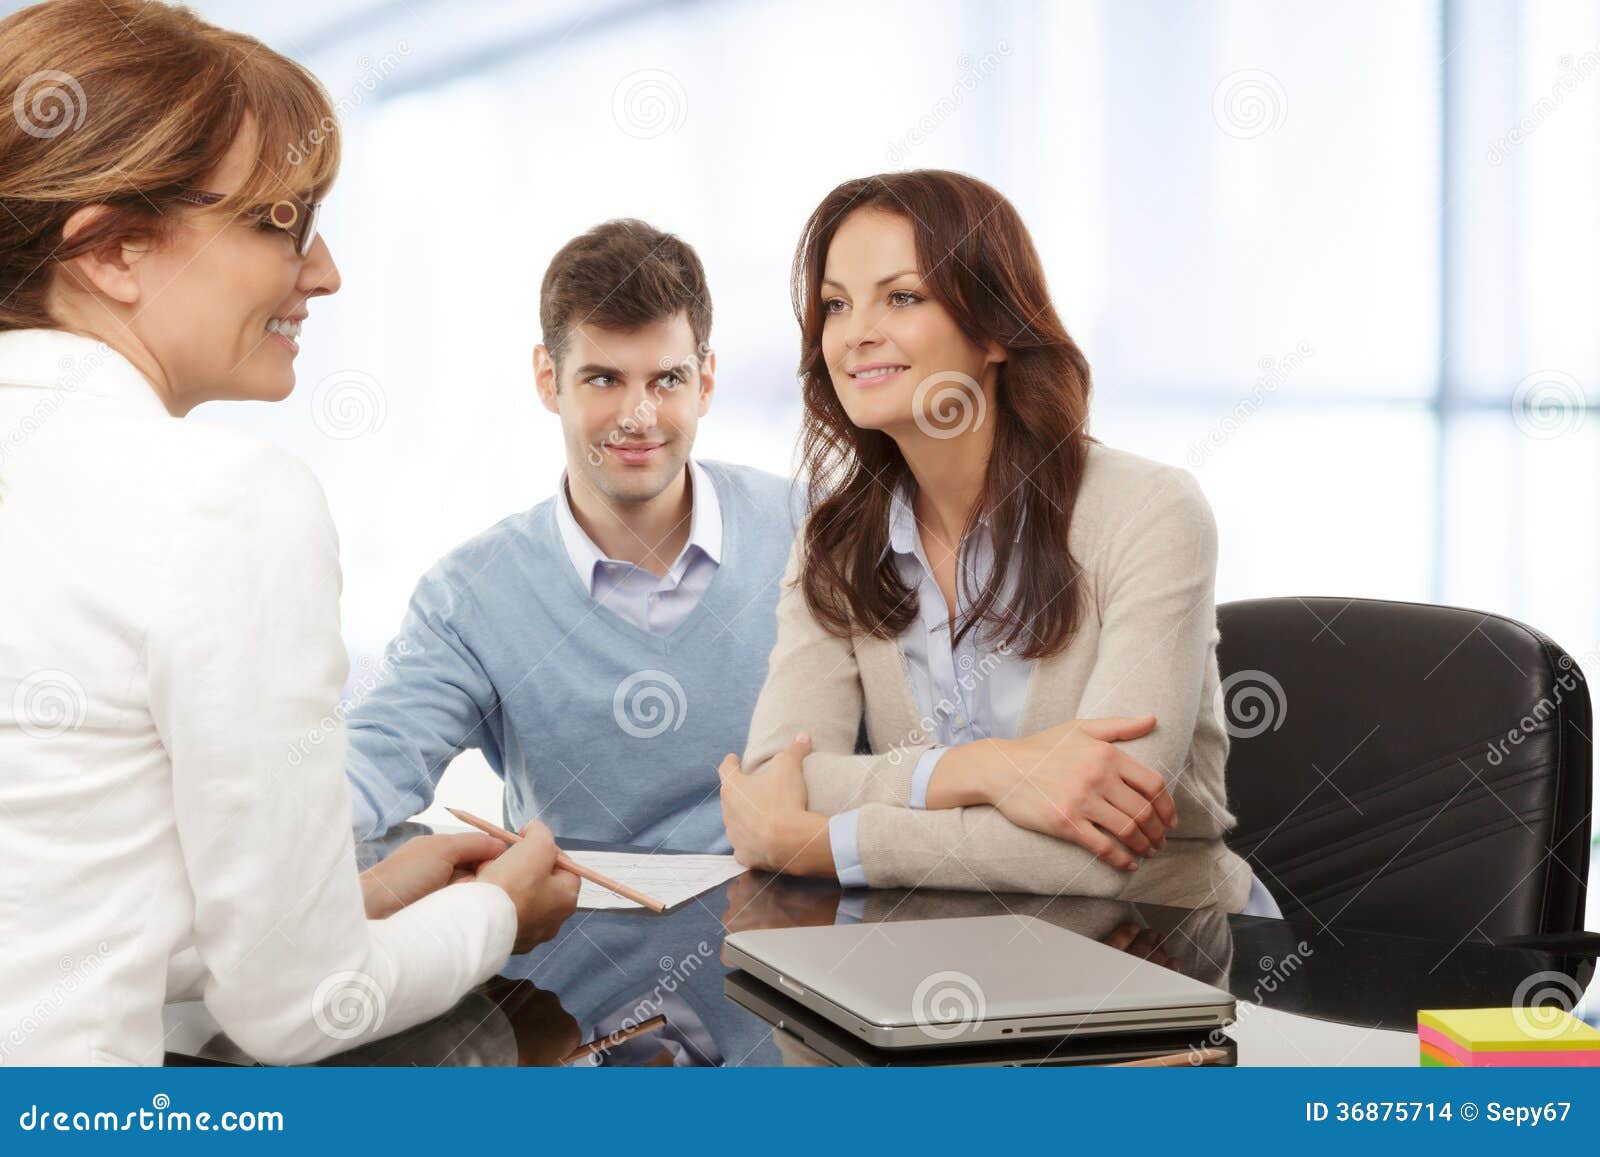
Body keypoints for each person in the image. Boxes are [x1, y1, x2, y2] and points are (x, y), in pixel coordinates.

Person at [0, 0, 577, 1067]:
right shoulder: (223, 498)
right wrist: (498, 910)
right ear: (115, 250)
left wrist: (339, 902)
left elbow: (58, 906)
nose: (322, 273)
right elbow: (306, 1009)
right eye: (279, 223)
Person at [717, 169, 1280, 918]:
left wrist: (819, 844)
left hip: (1163, 956)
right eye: (835, 304)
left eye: (903, 297)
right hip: (943, 959)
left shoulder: (1149, 512)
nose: (855, 333)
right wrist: (991, 770)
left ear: (993, 329)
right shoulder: (836, 541)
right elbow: (777, 776)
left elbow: (1103, 848)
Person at [344, 221, 796, 851]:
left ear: (707, 382)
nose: (638, 416)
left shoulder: (811, 533)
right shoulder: (471, 596)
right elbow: (374, 764)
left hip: (784, 943)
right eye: (604, 379)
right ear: (547, 378)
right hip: (563, 945)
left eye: (666, 380)